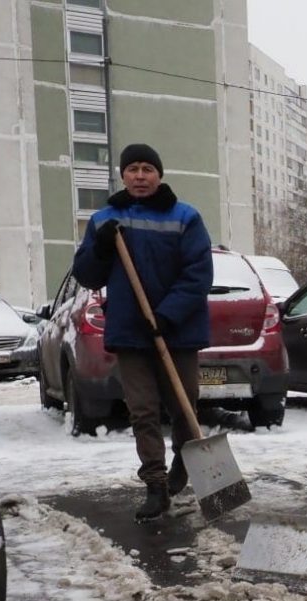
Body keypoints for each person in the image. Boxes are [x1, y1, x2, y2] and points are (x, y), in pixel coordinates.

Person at [72, 143, 213, 523]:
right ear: (122, 175)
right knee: (143, 411)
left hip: (178, 331)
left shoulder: (186, 217)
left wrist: (168, 315)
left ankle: (184, 461)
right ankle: (156, 484)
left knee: (186, 406)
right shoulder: (105, 220)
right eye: (132, 168)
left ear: (159, 175)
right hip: (130, 332)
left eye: (147, 169)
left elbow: (199, 273)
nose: (139, 175)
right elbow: (87, 275)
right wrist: (100, 249)